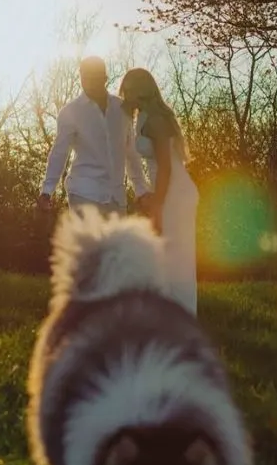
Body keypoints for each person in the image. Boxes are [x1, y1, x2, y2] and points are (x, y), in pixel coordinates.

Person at [119, 67, 199, 313]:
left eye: (129, 91)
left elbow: (165, 167)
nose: (124, 96)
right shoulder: (142, 117)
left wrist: (157, 204)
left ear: (141, 91)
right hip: (168, 191)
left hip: (175, 193)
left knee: (178, 262)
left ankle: (184, 323)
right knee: (167, 260)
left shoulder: (155, 120)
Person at [38, 56, 148, 221]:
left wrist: (141, 189)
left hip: (116, 197)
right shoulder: (70, 112)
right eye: (85, 76)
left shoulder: (122, 109)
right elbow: (60, 153)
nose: (89, 81)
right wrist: (47, 190)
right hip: (84, 193)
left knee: (118, 246)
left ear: (104, 78)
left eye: (94, 76)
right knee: (90, 246)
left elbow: (131, 152)